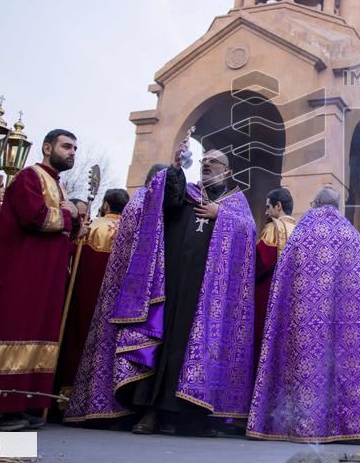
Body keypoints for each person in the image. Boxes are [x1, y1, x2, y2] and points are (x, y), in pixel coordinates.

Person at [110, 145, 256, 436]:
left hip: (209, 294)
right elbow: (164, 202)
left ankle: (190, 417)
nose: (206, 165)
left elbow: (249, 232)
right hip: (174, 283)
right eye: (204, 161)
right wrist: (176, 166)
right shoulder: (187, 193)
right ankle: (150, 412)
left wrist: (221, 215)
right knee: (166, 343)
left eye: (214, 163)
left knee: (197, 348)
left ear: (227, 171)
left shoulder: (236, 205)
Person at [0, 129, 81, 431]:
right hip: (19, 273)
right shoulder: (30, 176)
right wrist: (70, 218)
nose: (72, 153)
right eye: (66, 146)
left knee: (33, 332)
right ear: (46, 147)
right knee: (9, 328)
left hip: (42, 276)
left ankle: (21, 401)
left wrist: (73, 220)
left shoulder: (57, 184)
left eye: (74, 149)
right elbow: (36, 217)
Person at [248, 186, 360, 442]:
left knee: (306, 367)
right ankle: (348, 427)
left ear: (315, 204)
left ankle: (299, 424)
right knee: (343, 366)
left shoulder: (302, 234)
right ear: (336, 206)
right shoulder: (354, 238)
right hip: (346, 328)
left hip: (304, 325)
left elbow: (281, 280)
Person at [65, 163, 170, 425]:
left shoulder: (133, 206)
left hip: (118, 292)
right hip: (130, 293)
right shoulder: (145, 205)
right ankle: (110, 408)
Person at [56, 188, 130, 402]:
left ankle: (66, 395)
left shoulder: (91, 226)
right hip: (116, 305)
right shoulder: (131, 231)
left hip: (83, 297)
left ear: (106, 204)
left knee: (77, 339)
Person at [254, 187, 296, 367]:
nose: (266, 212)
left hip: (268, 297)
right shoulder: (302, 230)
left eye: (268, 207)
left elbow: (260, 262)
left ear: (278, 206)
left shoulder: (273, 227)